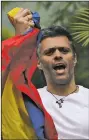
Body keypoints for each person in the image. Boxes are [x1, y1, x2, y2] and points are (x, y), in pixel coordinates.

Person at [2, 8, 89, 139]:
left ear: (75, 58)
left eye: (64, 50)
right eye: (49, 52)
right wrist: (20, 40)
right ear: (38, 62)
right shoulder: (27, 101)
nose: (58, 55)